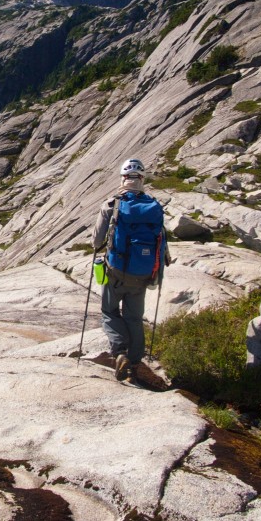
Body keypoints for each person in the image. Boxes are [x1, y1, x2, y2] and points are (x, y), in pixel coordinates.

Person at [92, 158, 170, 384]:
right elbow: (161, 239)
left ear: (122, 178)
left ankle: (120, 353)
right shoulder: (154, 205)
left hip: (117, 271)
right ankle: (135, 364)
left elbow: (96, 240)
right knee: (134, 318)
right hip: (144, 273)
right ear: (142, 179)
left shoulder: (112, 204)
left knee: (109, 311)